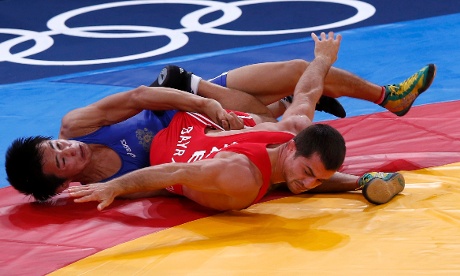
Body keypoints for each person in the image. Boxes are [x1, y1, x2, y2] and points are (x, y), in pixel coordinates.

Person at [5, 32, 436, 203]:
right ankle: (284, 115)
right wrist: (117, 187)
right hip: (205, 138)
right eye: (62, 160)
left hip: (190, 105)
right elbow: (172, 177)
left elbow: (140, 94)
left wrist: (207, 101)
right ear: (65, 184)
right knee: (282, 147)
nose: (69, 148)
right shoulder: (96, 187)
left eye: (56, 144)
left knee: (293, 75)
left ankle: (390, 97)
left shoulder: (77, 125)